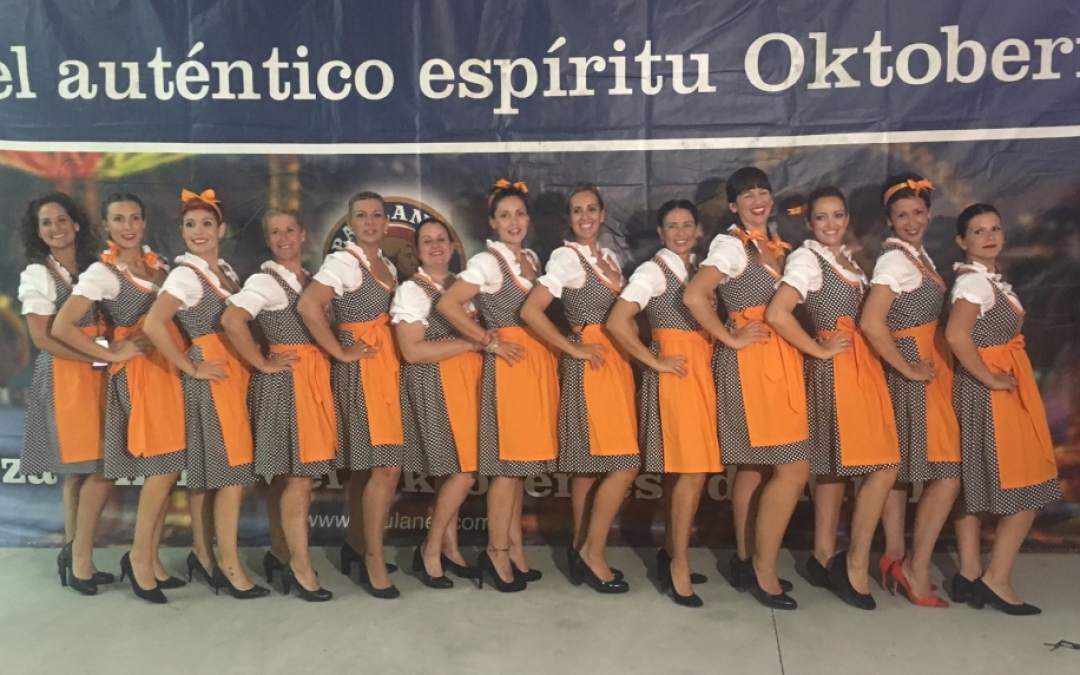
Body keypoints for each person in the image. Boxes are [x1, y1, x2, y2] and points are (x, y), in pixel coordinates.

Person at [764, 187, 900, 610]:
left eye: (837, 215)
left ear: (847, 218)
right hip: (838, 369)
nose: (830, 224)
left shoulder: (845, 259)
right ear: (809, 223)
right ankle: (854, 564)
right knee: (884, 466)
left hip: (858, 367)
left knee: (834, 467)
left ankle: (823, 556)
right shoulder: (808, 259)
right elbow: (777, 313)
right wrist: (819, 349)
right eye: (821, 217)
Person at [53, 193, 187, 603]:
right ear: (107, 226)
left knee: (166, 467)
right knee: (138, 467)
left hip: (167, 372)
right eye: (119, 219)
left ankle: (149, 558)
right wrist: (111, 353)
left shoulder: (159, 265)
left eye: (134, 218)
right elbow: (62, 326)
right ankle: (98, 558)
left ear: (144, 223)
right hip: (139, 376)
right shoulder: (103, 272)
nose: (128, 226)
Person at [684, 167, 806, 611]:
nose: (758, 200)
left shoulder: (772, 244)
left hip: (777, 359)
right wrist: (730, 336)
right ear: (734, 205)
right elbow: (695, 296)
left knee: (754, 467)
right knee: (793, 468)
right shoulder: (731, 244)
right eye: (747, 195)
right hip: (752, 363)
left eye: (763, 192)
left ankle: (744, 558)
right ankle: (764, 570)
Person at [143, 189, 269, 600]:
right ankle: (231, 566)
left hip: (233, 372)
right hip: (213, 375)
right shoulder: (185, 275)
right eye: (190, 224)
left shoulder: (224, 271)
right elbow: (154, 324)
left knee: (211, 473)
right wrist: (192, 366)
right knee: (231, 475)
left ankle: (203, 553)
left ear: (222, 229)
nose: (199, 231)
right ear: (181, 231)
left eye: (206, 224)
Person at [437, 179, 559, 592]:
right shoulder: (488, 263)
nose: (514, 221)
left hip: (533, 364)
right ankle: (496, 551)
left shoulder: (530, 258)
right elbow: (448, 304)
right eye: (505, 215)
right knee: (507, 469)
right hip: (510, 367)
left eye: (519, 214)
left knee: (520, 468)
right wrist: (487, 340)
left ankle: (515, 547)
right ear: (492, 222)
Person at [521, 183, 640, 594]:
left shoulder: (608, 258)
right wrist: (572, 346)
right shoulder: (566, 258)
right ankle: (593, 552)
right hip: (591, 364)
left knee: (589, 466)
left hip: (615, 363)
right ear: (568, 219)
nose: (585, 217)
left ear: (603, 215)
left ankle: (579, 549)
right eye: (577, 211)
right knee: (624, 464)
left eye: (592, 209)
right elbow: (531, 310)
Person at [945, 203, 1061, 615]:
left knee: (973, 483)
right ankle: (996, 578)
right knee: (1028, 484)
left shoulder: (985, 280)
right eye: (979, 231)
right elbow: (956, 335)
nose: (990, 236)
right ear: (962, 241)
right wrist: (991, 378)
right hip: (987, 394)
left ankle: (969, 573)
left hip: (983, 390)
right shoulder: (974, 283)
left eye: (995, 228)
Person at [607, 199, 721, 607]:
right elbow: (617, 320)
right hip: (677, 375)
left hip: (700, 370)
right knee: (690, 471)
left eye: (687, 225)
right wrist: (653, 360)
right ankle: (678, 567)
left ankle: (672, 552)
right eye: (672, 226)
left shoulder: (698, 269)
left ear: (698, 229)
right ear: (660, 232)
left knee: (688, 473)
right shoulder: (653, 271)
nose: (681, 232)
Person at [222, 208, 336, 602]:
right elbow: (232, 320)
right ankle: (301, 568)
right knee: (299, 478)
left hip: (311, 378)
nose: (283, 238)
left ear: (303, 234)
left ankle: (280, 554)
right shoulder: (265, 281)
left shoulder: (307, 279)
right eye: (275, 232)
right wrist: (262, 362)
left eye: (290, 230)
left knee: (291, 478)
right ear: (268, 239)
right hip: (287, 383)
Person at [859, 173, 960, 607]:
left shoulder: (915, 256)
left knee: (899, 470)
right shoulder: (894, 262)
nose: (911, 221)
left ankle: (895, 556)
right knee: (947, 473)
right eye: (902, 215)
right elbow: (871, 322)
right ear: (889, 220)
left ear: (929, 214)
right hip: (915, 374)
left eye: (917, 212)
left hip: (928, 366)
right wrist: (906, 367)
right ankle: (915, 567)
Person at [297, 192, 403, 599]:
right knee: (386, 466)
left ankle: (357, 546)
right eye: (362, 215)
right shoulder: (344, 262)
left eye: (377, 215)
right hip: (362, 371)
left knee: (371, 468)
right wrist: (340, 351)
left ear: (386, 222)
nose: (370, 222)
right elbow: (309, 306)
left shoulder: (386, 265)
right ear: (351, 224)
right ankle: (374, 558)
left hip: (385, 367)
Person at [18, 192, 115, 595]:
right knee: (95, 466)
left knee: (85, 468)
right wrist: (95, 354)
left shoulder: (96, 267)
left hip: (99, 370)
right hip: (65, 374)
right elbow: (42, 338)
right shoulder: (38, 275)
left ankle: (74, 553)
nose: (55, 228)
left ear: (76, 224)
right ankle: (81, 560)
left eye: (62, 220)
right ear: (38, 232)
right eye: (46, 223)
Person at [393, 218, 482, 589]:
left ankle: (451, 548)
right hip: (436, 384)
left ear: (453, 245)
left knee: (455, 472)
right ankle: (429, 550)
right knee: (463, 472)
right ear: (416, 251)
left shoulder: (462, 285)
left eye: (441, 239)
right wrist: (468, 343)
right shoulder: (412, 291)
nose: (435, 246)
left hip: (467, 384)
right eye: (427, 241)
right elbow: (412, 351)